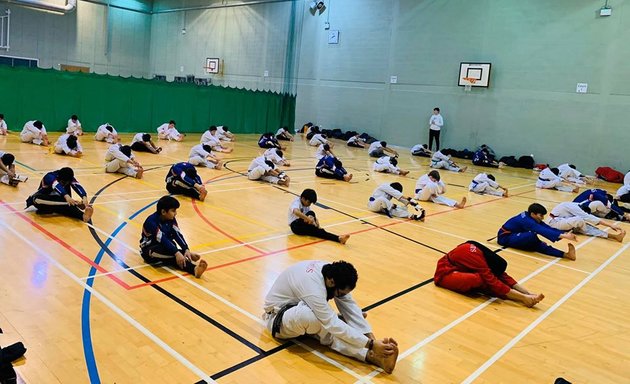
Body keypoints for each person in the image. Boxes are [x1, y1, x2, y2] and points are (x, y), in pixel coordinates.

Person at [263, 260, 400, 374]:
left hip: (300, 308)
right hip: (277, 319)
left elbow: (350, 306)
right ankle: (369, 356)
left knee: (344, 317)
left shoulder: (331, 272)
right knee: (318, 321)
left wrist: (372, 340)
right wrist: (370, 345)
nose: (340, 296)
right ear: (331, 282)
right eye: (340, 293)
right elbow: (330, 323)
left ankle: (372, 354)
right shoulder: (313, 288)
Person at [434, 241, 545, 307]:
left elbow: (503, 275)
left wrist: (528, 293)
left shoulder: (488, 258)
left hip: (462, 267)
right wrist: (522, 298)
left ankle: (527, 297)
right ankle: (522, 298)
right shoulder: (479, 261)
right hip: (445, 273)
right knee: (480, 280)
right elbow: (493, 282)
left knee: (490, 279)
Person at [140, 195, 208, 278]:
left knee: (174, 252)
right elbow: (162, 239)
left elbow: (177, 234)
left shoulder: (171, 219)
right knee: (175, 255)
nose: (176, 213)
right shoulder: (151, 222)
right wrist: (177, 252)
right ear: (163, 212)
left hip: (165, 246)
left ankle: (193, 267)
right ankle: (193, 268)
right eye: (173, 211)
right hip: (150, 251)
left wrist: (186, 249)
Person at [497, 203, 577, 260]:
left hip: (516, 235)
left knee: (535, 242)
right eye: (541, 215)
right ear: (533, 214)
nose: (542, 218)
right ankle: (565, 255)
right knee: (533, 237)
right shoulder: (526, 220)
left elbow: (545, 227)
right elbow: (542, 230)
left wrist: (563, 233)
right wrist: (565, 236)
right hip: (505, 237)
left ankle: (566, 255)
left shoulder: (530, 216)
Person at [25, 167, 93, 222]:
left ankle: (83, 216)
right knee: (37, 198)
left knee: (68, 204)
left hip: (60, 201)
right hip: (45, 199)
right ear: (59, 178)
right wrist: (67, 196)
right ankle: (74, 204)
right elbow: (56, 185)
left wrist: (84, 198)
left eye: (67, 183)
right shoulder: (50, 176)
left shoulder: (68, 178)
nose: (65, 184)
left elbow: (77, 186)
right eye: (63, 182)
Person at [547, 201, 626, 242]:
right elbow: (588, 217)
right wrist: (610, 225)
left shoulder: (578, 205)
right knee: (579, 220)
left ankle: (614, 236)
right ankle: (586, 230)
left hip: (564, 222)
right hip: (554, 223)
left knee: (582, 222)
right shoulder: (574, 207)